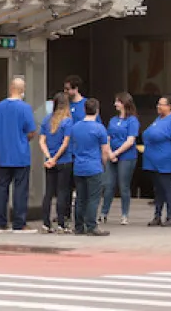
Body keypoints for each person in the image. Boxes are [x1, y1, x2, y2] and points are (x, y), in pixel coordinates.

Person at [0, 76, 36, 233]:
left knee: (2, 188)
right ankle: (19, 223)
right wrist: (23, 139)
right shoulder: (25, 108)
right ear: (22, 90)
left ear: (10, 88)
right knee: (20, 190)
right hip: (21, 154)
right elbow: (31, 131)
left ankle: (0, 223)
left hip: (4, 154)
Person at [143, 94, 171, 227]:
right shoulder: (159, 118)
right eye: (158, 104)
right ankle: (157, 215)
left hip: (166, 160)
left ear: (169, 106)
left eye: (161, 104)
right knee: (158, 189)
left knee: (167, 188)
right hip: (153, 160)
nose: (158, 106)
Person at [71, 97, 111, 236]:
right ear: (97, 111)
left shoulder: (76, 127)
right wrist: (103, 164)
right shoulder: (99, 128)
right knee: (93, 198)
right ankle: (91, 226)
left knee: (80, 198)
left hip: (78, 166)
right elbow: (105, 151)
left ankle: (78, 226)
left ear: (84, 109)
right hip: (94, 166)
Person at [101, 92, 140, 225]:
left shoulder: (132, 120)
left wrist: (116, 153)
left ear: (124, 103)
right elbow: (107, 137)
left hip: (127, 156)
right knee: (108, 185)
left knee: (124, 186)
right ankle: (104, 213)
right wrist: (109, 153)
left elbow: (130, 141)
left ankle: (124, 214)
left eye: (118, 101)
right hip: (112, 155)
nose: (115, 104)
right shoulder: (113, 120)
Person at [38, 92, 73, 233]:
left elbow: (42, 141)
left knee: (48, 192)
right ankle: (61, 223)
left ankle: (46, 223)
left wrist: (49, 157)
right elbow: (65, 143)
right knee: (62, 192)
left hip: (49, 162)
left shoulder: (47, 119)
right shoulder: (67, 121)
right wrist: (56, 158)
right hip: (64, 160)